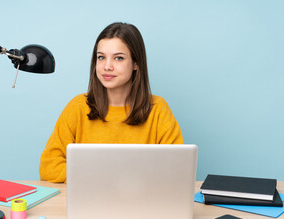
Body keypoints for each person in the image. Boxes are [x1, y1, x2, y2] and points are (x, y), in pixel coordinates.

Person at [39, 22, 183, 183]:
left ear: (136, 63)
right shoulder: (78, 107)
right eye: (101, 57)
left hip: (140, 202)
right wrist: (103, 179)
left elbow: (176, 169)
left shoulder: (158, 109)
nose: (107, 66)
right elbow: (49, 166)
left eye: (118, 58)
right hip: (90, 200)